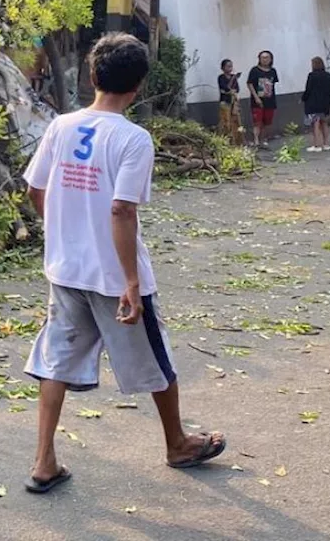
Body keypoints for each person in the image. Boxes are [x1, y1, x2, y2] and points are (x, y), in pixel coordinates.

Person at [21, 33, 226, 494]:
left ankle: (43, 461)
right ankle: (176, 443)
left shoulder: (61, 126)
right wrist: (131, 280)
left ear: (91, 76)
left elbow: (36, 189)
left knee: (56, 361)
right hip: (113, 277)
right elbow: (121, 209)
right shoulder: (133, 139)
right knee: (155, 357)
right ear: (138, 87)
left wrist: (62, 232)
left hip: (64, 270)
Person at [301, 56, 330, 152]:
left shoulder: (311, 75)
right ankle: (326, 144)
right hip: (325, 103)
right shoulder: (328, 75)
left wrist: (303, 98)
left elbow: (308, 90)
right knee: (324, 123)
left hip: (313, 103)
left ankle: (316, 145)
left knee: (315, 123)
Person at [246, 50, 279, 148]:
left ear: (271, 59)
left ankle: (263, 139)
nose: (265, 60)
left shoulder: (273, 71)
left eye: (267, 57)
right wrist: (256, 97)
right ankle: (256, 140)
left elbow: (273, 84)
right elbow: (250, 83)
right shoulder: (254, 70)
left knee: (267, 122)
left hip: (270, 99)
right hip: (257, 100)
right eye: (263, 58)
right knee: (257, 121)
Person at [217, 59, 241, 144]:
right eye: (228, 66)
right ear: (223, 68)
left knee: (235, 120)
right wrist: (230, 89)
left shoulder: (233, 77)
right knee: (225, 121)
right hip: (225, 101)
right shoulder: (221, 77)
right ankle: (225, 140)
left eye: (231, 66)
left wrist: (232, 91)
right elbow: (224, 87)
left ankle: (235, 140)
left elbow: (237, 89)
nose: (230, 68)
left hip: (233, 102)